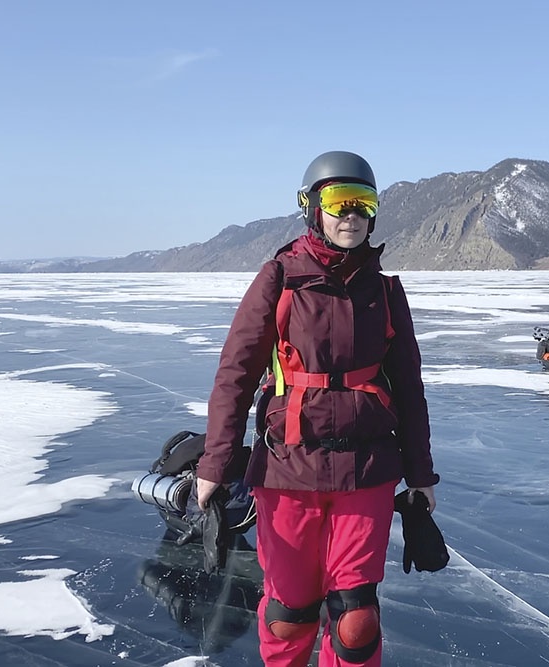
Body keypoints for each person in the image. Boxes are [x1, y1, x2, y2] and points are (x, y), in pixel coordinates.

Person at [195, 150, 441, 667]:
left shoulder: (386, 291)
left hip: (367, 470)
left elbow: (410, 388)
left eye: (363, 202)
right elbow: (235, 375)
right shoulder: (279, 279)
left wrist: (421, 474)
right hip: (288, 468)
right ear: (311, 207)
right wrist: (215, 463)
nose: (351, 214)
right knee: (289, 611)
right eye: (337, 201)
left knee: (356, 620)